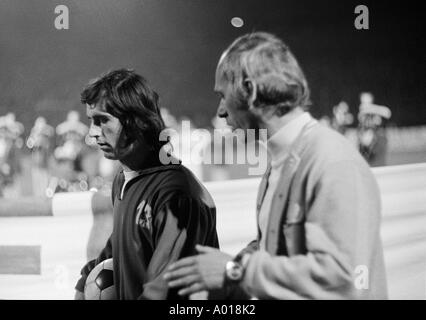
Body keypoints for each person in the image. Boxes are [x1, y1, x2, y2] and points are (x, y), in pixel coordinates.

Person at [164, 32, 388, 299]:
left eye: (223, 95)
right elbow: (279, 249)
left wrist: (235, 271)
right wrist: (227, 267)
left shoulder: (332, 160)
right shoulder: (281, 159)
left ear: (250, 89)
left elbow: (342, 278)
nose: (221, 110)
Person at [74, 69, 219, 300]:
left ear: (134, 122)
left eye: (102, 121)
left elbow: (168, 289)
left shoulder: (177, 194)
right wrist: (84, 281)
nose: (92, 134)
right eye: (92, 121)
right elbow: (124, 242)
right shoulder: (124, 179)